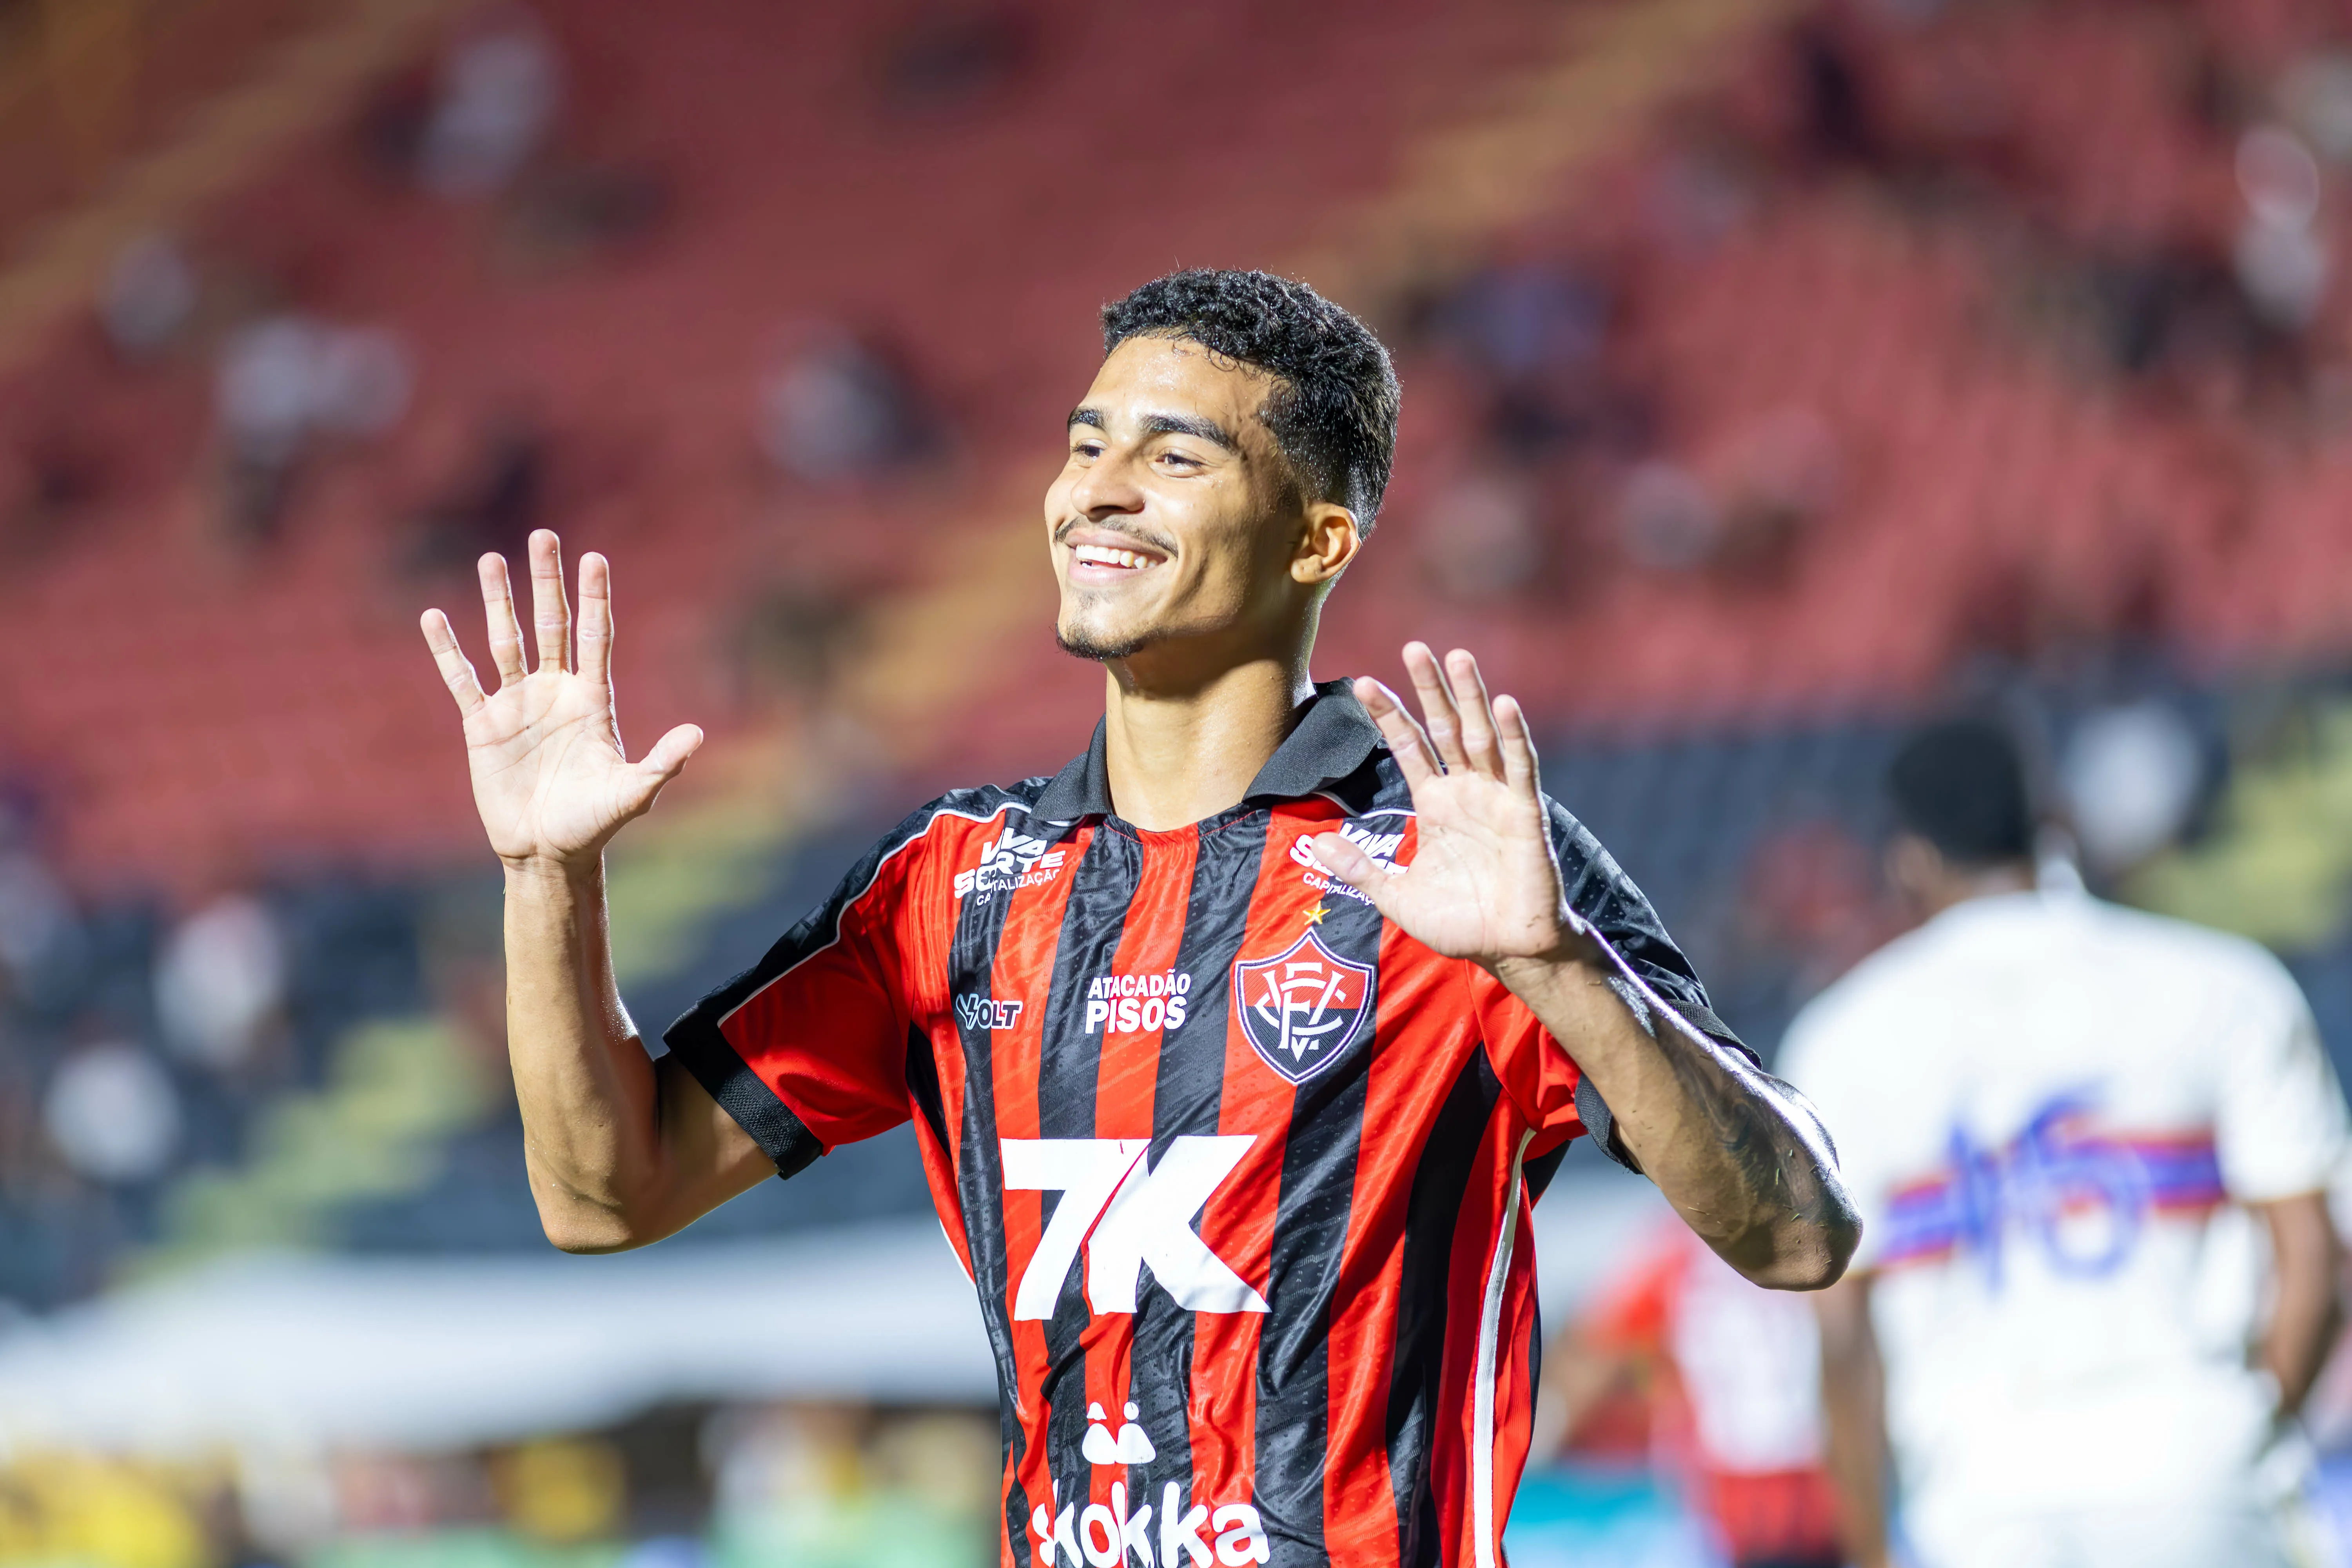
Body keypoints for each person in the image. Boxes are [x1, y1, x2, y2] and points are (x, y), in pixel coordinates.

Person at [419, 269, 1858, 1567]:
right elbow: (604, 1194)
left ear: (1317, 537)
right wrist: (548, 880)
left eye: (1173, 455)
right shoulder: (952, 882)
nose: (1098, 489)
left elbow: (1798, 1234)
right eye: (1085, 441)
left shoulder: (1457, 870)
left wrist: (1556, 964)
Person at [1779, 718, 2348, 1568]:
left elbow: (1843, 1342)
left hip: (1983, 1499)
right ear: (2052, 821)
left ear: (1911, 858)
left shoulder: (1841, 1037)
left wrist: (1870, 1548)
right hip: (2198, 1468)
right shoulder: (2225, 983)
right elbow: (2314, 1256)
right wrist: (2250, 1434)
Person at [1540, 1216, 1843, 1568]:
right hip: (1795, 1487)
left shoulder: (1679, 1249)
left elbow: (1596, 1350)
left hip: (1749, 1494)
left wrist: (1546, 1435)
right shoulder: (1817, 1231)